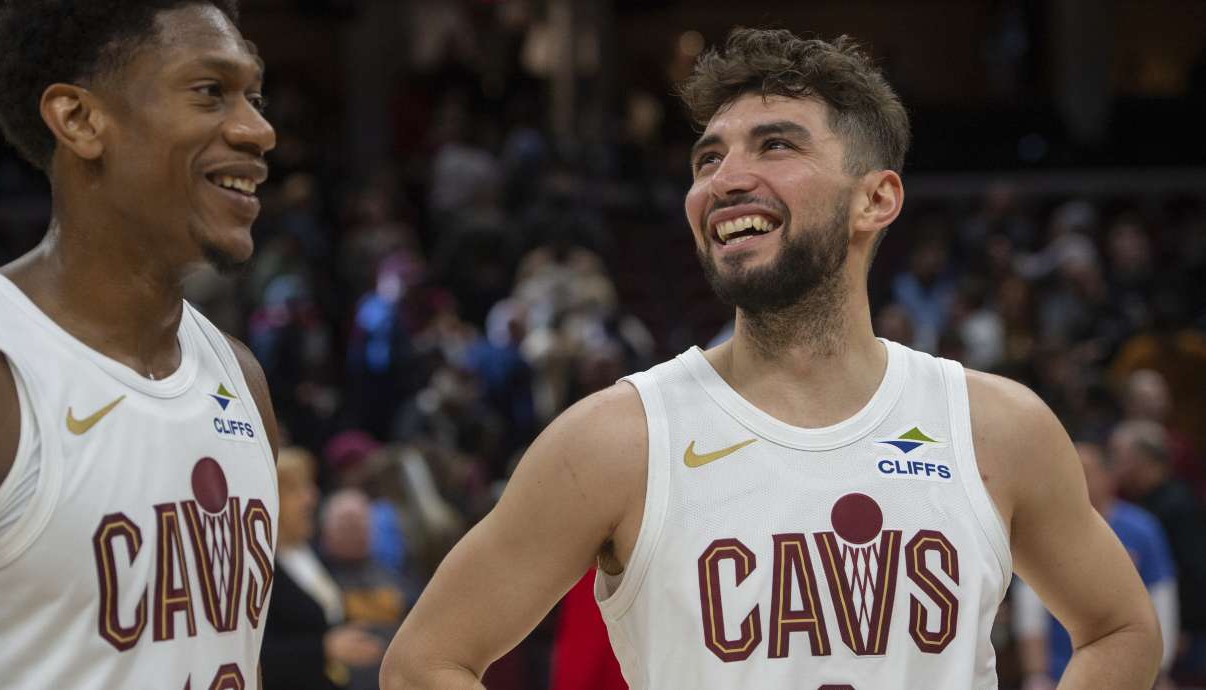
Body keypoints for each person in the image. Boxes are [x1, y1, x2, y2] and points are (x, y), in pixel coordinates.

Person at [380, 29, 1161, 689]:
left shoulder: (999, 427)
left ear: (876, 199)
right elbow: (424, 662)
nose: (725, 180)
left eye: (775, 145)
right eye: (707, 159)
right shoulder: (615, 440)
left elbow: (1122, 629)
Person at [0, 2, 281, 688]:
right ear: (80, 120)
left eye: (255, 98)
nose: (258, 130)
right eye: (211, 91)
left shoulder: (239, 377)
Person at [1012, 441, 1178, 689]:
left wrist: (1160, 668)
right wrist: (1035, 673)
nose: (1077, 479)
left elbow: (1162, 598)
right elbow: (1030, 606)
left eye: (1086, 472)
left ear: (1108, 476)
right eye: (1068, 471)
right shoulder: (1045, 530)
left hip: (1130, 669)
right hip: (1061, 670)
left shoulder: (1142, 529)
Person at [263, 449, 387, 690]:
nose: (312, 497)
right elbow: (258, 653)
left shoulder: (307, 550)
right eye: (297, 489)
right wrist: (324, 648)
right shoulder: (260, 565)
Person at [1110, 420, 1206, 682]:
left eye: (1119, 455)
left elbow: (1194, 572)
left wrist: (1183, 628)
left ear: (1143, 460)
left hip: (1184, 634)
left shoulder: (1178, 505)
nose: (1113, 464)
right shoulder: (1137, 502)